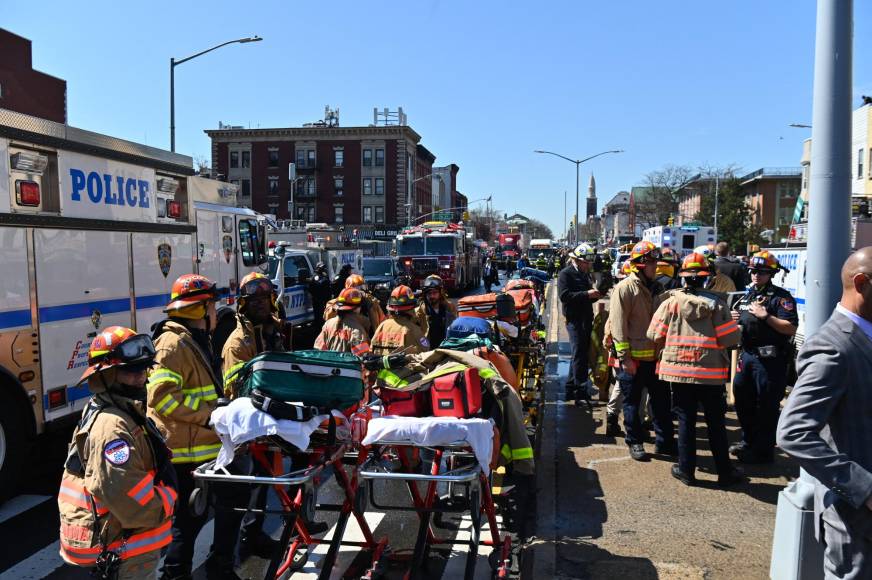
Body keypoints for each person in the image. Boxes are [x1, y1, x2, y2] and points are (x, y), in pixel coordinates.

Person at [777, 248, 872, 579]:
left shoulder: (864, 336)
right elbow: (793, 433)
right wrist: (864, 488)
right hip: (857, 522)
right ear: (861, 283)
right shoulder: (833, 346)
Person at [148, 274, 245, 579]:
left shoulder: (193, 340)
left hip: (210, 450)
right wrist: (208, 416)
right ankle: (176, 576)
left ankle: (221, 569)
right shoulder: (172, 344)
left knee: (230, 509)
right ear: (201, 309)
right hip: (186, 455)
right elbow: (161, 399)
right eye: (213, 306)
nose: (216, 312)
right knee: (187, 525)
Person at [58, 327, 176, 579]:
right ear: (106, 375)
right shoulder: (111, 428)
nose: (141, 378)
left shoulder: (120, 410)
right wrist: (165, 503)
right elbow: (125, 494)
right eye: (131, 371)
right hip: (126, 547)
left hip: (124, 541)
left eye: (143, 369)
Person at [647, 253, 745, 487]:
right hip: (711, 377)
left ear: (683, 278)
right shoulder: (717, 305)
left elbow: (653, 335)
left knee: (685, 422)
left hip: (679, 374)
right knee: (715, 423)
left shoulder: (670, 302)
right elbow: (731, 340)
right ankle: (725, 472)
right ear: (705, 278)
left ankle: (687, 471)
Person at [220, 273, 288, 558]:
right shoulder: (238, 343)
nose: (261, 304)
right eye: (254, 300)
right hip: (249, 425)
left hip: (272, 420)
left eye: (265, 298)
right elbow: (237, 388)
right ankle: (228, 553)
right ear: (244, 304)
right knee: (244, 490)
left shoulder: (275, 329)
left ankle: (254, 536)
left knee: (264, 484)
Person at [610, 241, 675, 461]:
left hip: (655, 358)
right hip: (633, 361)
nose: (656, 266)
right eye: (652, 262)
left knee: (661, 403)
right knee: (632, 404)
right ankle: (635, 442)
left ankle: (665, 442)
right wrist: (625, 358)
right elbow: (618, 326)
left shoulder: (657, 287)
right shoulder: (625, 288)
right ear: (640, 264)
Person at [730, 251, 798, 464]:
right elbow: (742, 321)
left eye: (761, 272)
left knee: (767, 407)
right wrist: (734, 317)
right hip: (748, 356)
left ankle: (763, 451)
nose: (756, 275)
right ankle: (748, 441)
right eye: (753, 271)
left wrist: (766, 316)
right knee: (742, 399)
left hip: (770, 361)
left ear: (771, 274)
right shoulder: (748, 295)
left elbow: (790, 328)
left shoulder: (781, 297)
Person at [557, 243, 601, 404]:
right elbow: (565, 296)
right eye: (586, 262)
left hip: (585, 319)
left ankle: (570, 389)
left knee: (580, 354)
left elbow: (587, 296)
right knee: (579, 354)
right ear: (577, 260)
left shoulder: (584, 274)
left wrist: (595, 295)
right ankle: (580, 389)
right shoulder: (565, 274)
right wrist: (586, 294)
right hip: (574, 320)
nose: (588, 265)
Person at [371, 285, 430, 355]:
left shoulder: (382, 325)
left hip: (380, 365)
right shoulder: (413, 330)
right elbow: (425, 353)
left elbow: (371, 350)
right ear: (411, 309)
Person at [314, 287, 372, 356]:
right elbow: (362, 358)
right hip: (346, 366)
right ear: (358, 308)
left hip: (328, 365)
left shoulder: (328, 324)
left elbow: (319, 350)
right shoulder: (357, 330)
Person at [415, 275, 457, 349]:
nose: (432, 296)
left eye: (435, 293)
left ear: (441, 293)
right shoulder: (419, 313)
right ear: (425, 295)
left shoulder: (450, 308)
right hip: (428, 352)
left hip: (446, 350)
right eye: (429, 293)